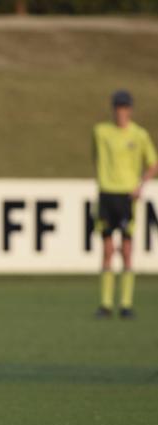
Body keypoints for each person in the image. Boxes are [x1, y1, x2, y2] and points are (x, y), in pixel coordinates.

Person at [93, 90, 158, 319]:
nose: (121, 111)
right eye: (118, 107)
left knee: (127, 249)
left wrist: (141, 185)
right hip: (106, 194)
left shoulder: (139, 135)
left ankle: (127, 303)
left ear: (130, 109)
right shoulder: (101, 132)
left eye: (125, 107)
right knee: (108, 248)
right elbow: (96, 158)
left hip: (127, 197)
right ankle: (106, 303)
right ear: (113, 109)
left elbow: (152, 163)